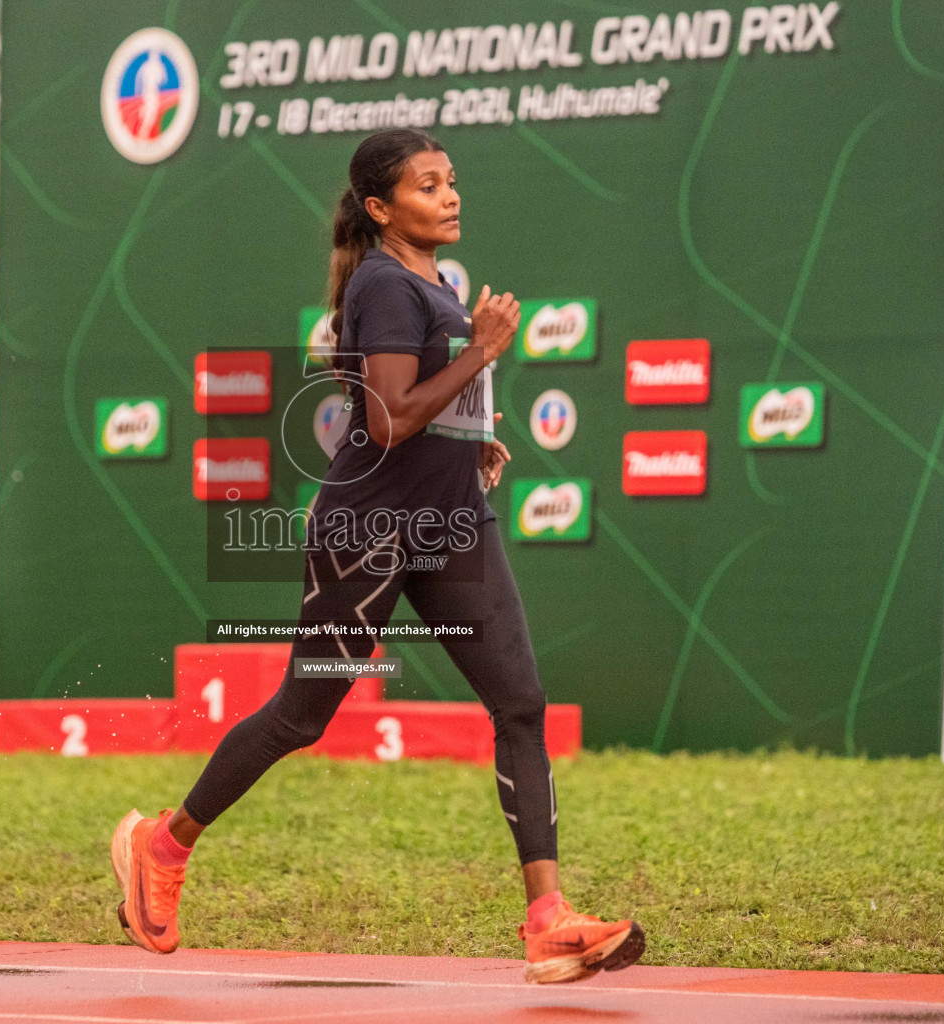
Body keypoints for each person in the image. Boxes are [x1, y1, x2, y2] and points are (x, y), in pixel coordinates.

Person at [110, 129, 645, 985]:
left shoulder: (430, 281)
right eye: (427, 186)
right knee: (301, 714)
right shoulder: (386, 284)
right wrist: (483, 350)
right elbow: (390, 418)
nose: (450, 195)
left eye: (451, 181)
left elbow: (416, 415)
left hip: (448, 527)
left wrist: (471, 441)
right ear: (379, 208)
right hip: (369, 533)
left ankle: (549, 918)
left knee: (519, 702)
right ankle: (162, 845)